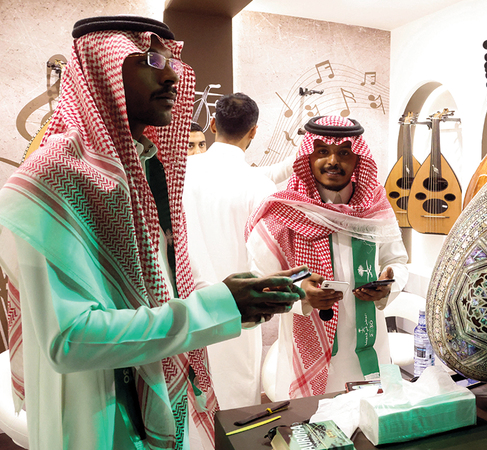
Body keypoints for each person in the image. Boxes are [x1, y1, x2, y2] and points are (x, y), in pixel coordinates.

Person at [0, 16, 305, 449]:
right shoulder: (54, 176)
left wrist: (231, 297)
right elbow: (70, 340)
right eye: (150, 60)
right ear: (101, 68)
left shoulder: (146, 170)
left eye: (172, 63)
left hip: (160, 383)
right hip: (93, 409)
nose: (170, 77)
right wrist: (218, 306)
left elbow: (157, 286)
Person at [245, 115, 409, 400]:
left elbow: (397, 262)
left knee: (370, 420)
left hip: (369, 353)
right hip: (304, 355)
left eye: (344, 153)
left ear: (358, 159)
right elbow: (261, 280)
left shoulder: (375, 207)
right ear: (308, 156)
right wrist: (301, 293)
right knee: (311, 423)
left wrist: (388, 284)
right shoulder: (285, 211)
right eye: (322, 151)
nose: (333, 161)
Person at [183, 92, 293, 409]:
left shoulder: (180, 173)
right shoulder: (259, 186)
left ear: (212, 124)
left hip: (184, 309)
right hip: (238, 310)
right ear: (254, 131)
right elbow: (268, 261)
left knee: (189, 405)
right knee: (236, 407)